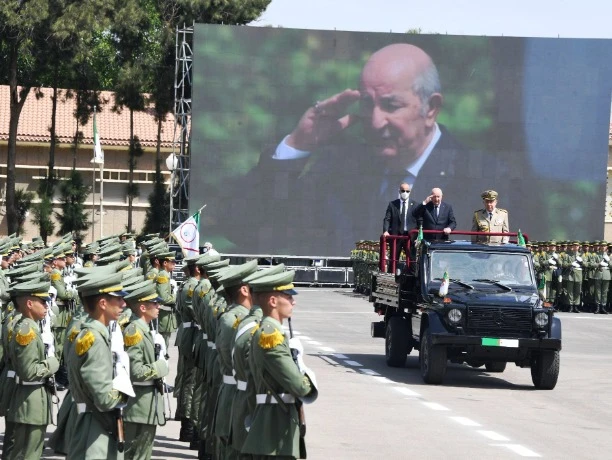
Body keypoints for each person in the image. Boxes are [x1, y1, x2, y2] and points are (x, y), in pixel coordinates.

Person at [208, 43, 506, 256]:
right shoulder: (337, 169)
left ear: (431, 108)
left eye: (390, 105)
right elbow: (240, 227)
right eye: (367, 104)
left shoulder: (486, 176)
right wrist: (298, 146)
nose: (375, 123)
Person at [241, 269, 318, 459]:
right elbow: (300, 386)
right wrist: (305, 372)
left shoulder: (268, 331)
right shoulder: (271, 335)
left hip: (271, 423)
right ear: (273, 301)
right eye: (288, 296)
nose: (293, 301)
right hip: (275, 428)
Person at [65, 271, 133, 459]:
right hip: (95, 429)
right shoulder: (94, 339)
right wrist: (124, 387)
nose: (123, 304)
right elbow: (104, 399)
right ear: (103, 304)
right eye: (117, 299)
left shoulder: (94, 334)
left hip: (93, 422)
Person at [3, 280, 58, 460]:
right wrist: (52, 363)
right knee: (27, 453)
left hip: (33, 400)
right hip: (29, 402)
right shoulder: (27, 330)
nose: (46, 306)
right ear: (29, 304)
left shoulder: (31, 326)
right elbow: (29, 371)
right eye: (42, 302)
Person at [122, 280, 169, 460]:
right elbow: (137, 372)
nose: (158, 306)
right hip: (139, 405)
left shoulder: (144, 329)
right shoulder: (135, 331)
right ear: (142, 307)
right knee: (136, 454)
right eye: (154, 303)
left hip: (146, 404)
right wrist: (161, 366)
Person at [382, 182, 417, 268]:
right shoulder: (392, 204)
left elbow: (419, 221)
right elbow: (387, 219)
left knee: (412, 261)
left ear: (410, 192)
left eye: (407, 191)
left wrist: (418, 236)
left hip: (410, 237)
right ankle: (392, 279)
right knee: (393, 260)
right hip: (396, 236)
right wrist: (386, 231)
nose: (405, 193)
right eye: (403, 191)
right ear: (399, 191)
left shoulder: (415, 205)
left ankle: (412, 279)